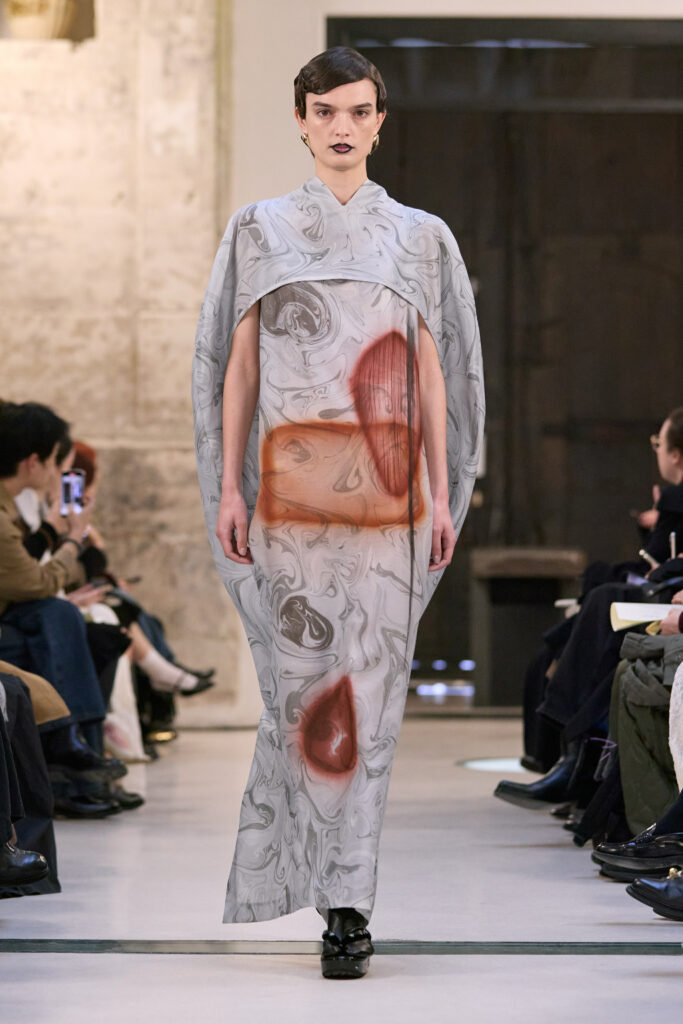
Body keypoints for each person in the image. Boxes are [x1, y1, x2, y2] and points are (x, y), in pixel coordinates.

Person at [192, 47, 484, 979]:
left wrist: (439, 489)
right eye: (325, 112)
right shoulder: (258, 229)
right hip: (288, 500)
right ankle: (315, 883)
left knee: (372, 701)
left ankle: (348, 908)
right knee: (301, 696)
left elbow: (434, 373)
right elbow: (236, 366)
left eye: (358, 111)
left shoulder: (419, 237)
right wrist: (228, 487)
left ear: (380, 121)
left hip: (389, 504)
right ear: (302, 121)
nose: (342, 127)